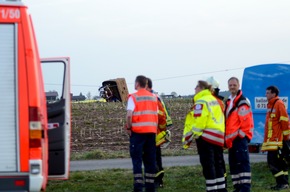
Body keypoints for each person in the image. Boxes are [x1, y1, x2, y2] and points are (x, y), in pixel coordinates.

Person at [187, 80, 227, 192]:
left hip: (206, 137)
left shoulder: (201, 101)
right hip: (218, 136)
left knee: (208, 165)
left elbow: (200, 121)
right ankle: (221, 189)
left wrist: (194, 134)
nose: (194, 90)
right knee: (218, 164)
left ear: (200, 88)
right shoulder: (216, 100)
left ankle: (211, 189)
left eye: (196, 87)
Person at [125, 75, 158, 192]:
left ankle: (138, 186)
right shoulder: (154, 97)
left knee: (137, 160)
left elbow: (129, 115)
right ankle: (150, 186)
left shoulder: (133, 97)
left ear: (137, 84)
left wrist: (129, 127)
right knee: (150, 160)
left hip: (138, 133)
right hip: (151, 132)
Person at [224, 77, 253, 192]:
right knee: (234, 165)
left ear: (238, 85)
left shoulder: (242, 101)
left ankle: (245, 188)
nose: (232, 87)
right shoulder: (229, 101)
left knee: (243, 164)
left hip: (239, 138)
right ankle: (237, 187)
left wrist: (241, 135)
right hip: (232, 139)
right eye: (230, 85)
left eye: (234, 85)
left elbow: (246, 121)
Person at [261, 85, 290, 190]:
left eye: (268, 92)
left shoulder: (278, 104)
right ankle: (283, 183)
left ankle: (282, 183)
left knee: (272, 162)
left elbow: (285, 122)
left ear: (274, 94)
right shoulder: (271, 105)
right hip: (273, 140)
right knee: (281, 163)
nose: (266, 95)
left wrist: (286, 138)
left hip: (277, 141)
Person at [146, 78, 171, 188]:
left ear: (147, 86)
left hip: (151, 132)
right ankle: (159, 180)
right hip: (156, 132)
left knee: (151, 158)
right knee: (156, 156)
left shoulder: (151, 98)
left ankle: (156, 181)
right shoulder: (156, 97)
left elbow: (161, 115)